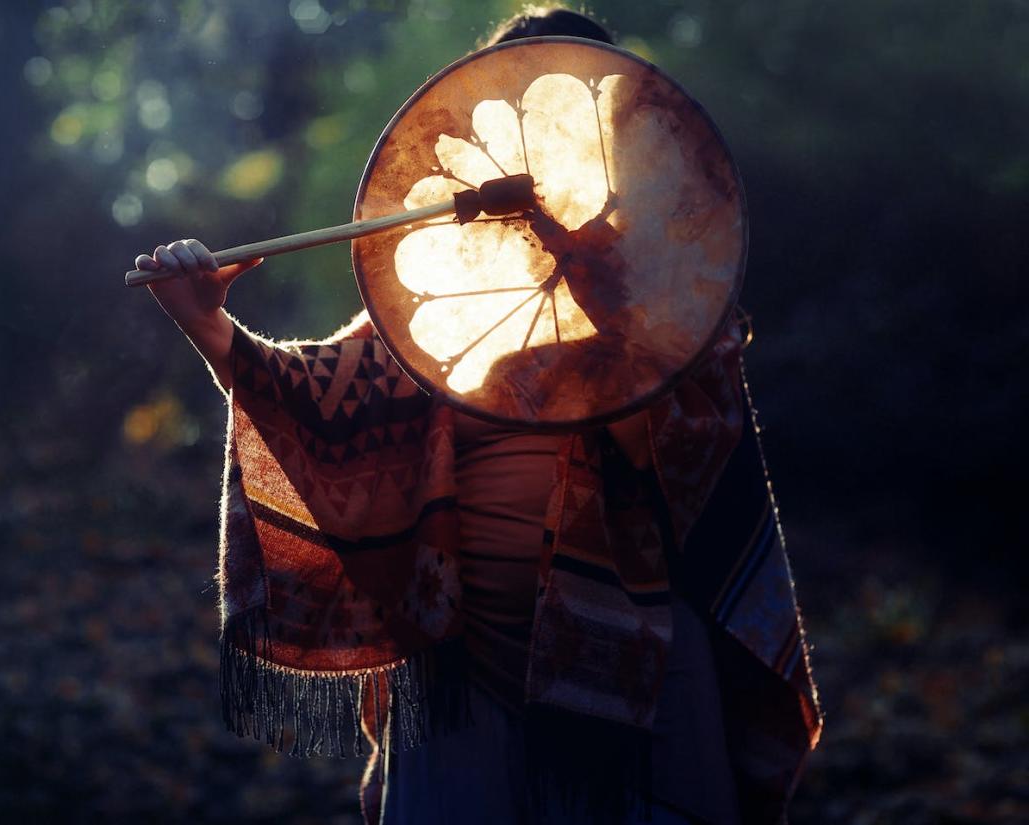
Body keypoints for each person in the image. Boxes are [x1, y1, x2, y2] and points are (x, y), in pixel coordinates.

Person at [132, 7, 821, 824]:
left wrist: (579, 255)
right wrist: (208, 324)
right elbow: (319, 401)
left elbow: (690, 446)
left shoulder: (683, 303)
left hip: (636, 663)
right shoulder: (434, 312)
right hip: (457, 668)